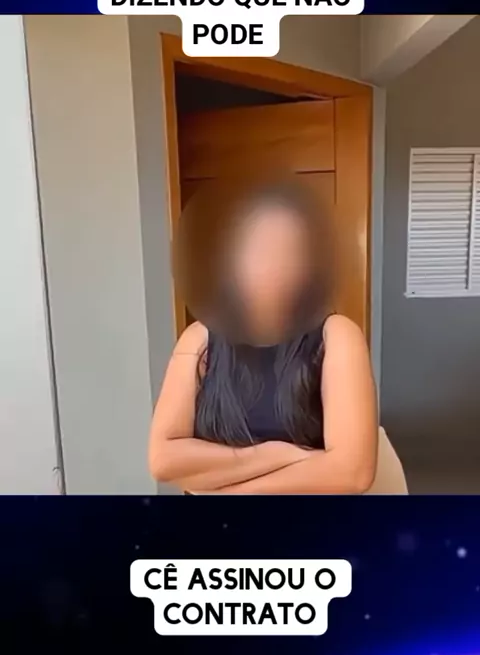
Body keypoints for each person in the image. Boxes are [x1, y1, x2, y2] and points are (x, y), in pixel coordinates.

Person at [148, 178, 378, 494]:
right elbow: (163, 460)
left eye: (289, 251)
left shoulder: (337, 335)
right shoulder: (198, 338)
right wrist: (279, 454)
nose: (273, 265)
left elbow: (353, 473)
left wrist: (225, 489)